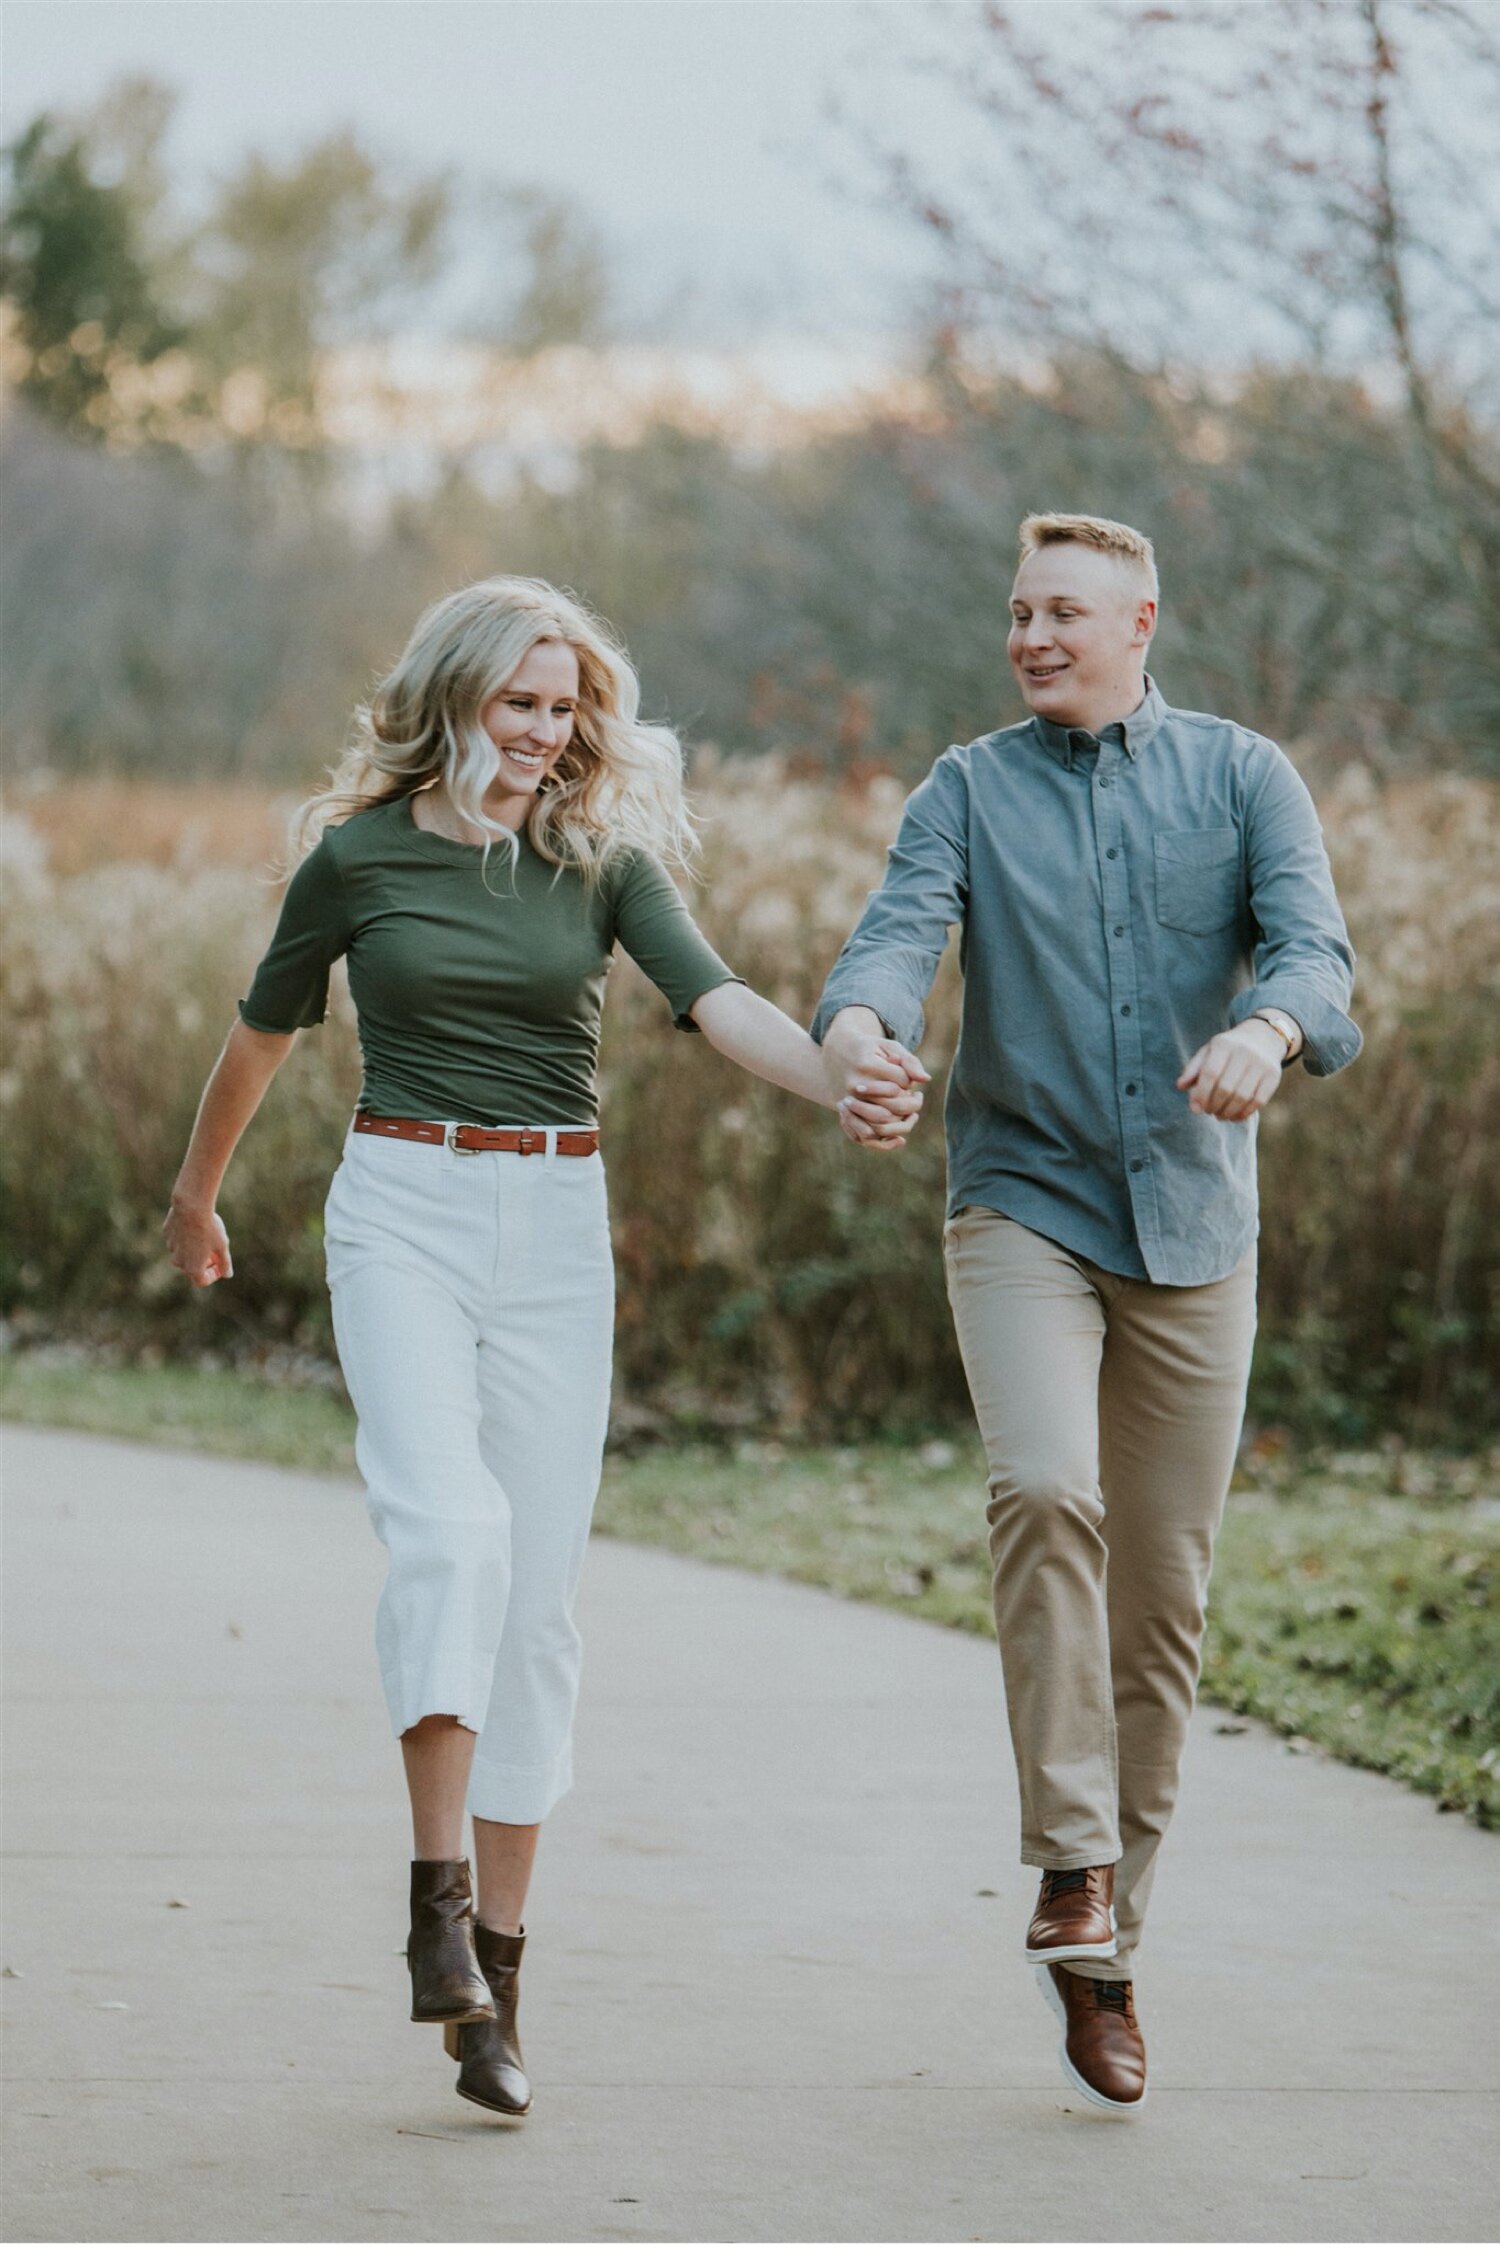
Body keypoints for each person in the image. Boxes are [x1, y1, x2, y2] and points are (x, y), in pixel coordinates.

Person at [163, 575, 922, 2120]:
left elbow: (716, 1004)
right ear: (452, 699)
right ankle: (436, 1898)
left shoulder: (600, 864)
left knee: (540, 1610)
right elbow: (263, 1029)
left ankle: (498, 1980)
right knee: (450, 1532)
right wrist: (195, 1191)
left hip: (555, 1229)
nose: (545, 730)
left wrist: (835, 1078)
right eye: (519, 700)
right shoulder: (356, 856)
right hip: (404, 1206)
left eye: (566, 704)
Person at [814, 513, 1361, 2115]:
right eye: (1016, 611)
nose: (1032, 634)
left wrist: (1268, 1029)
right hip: (1023, 1204)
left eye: (1063, 610)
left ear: (1140, 620)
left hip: (1198, 1220)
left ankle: (1111, 1949)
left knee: (1164, 1598)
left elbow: (1319, 952)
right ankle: (1070, 1864)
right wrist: (863, 1040)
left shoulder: (1246, 775)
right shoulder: (966, 789)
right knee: (1046, 1487)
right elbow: (891, 943)